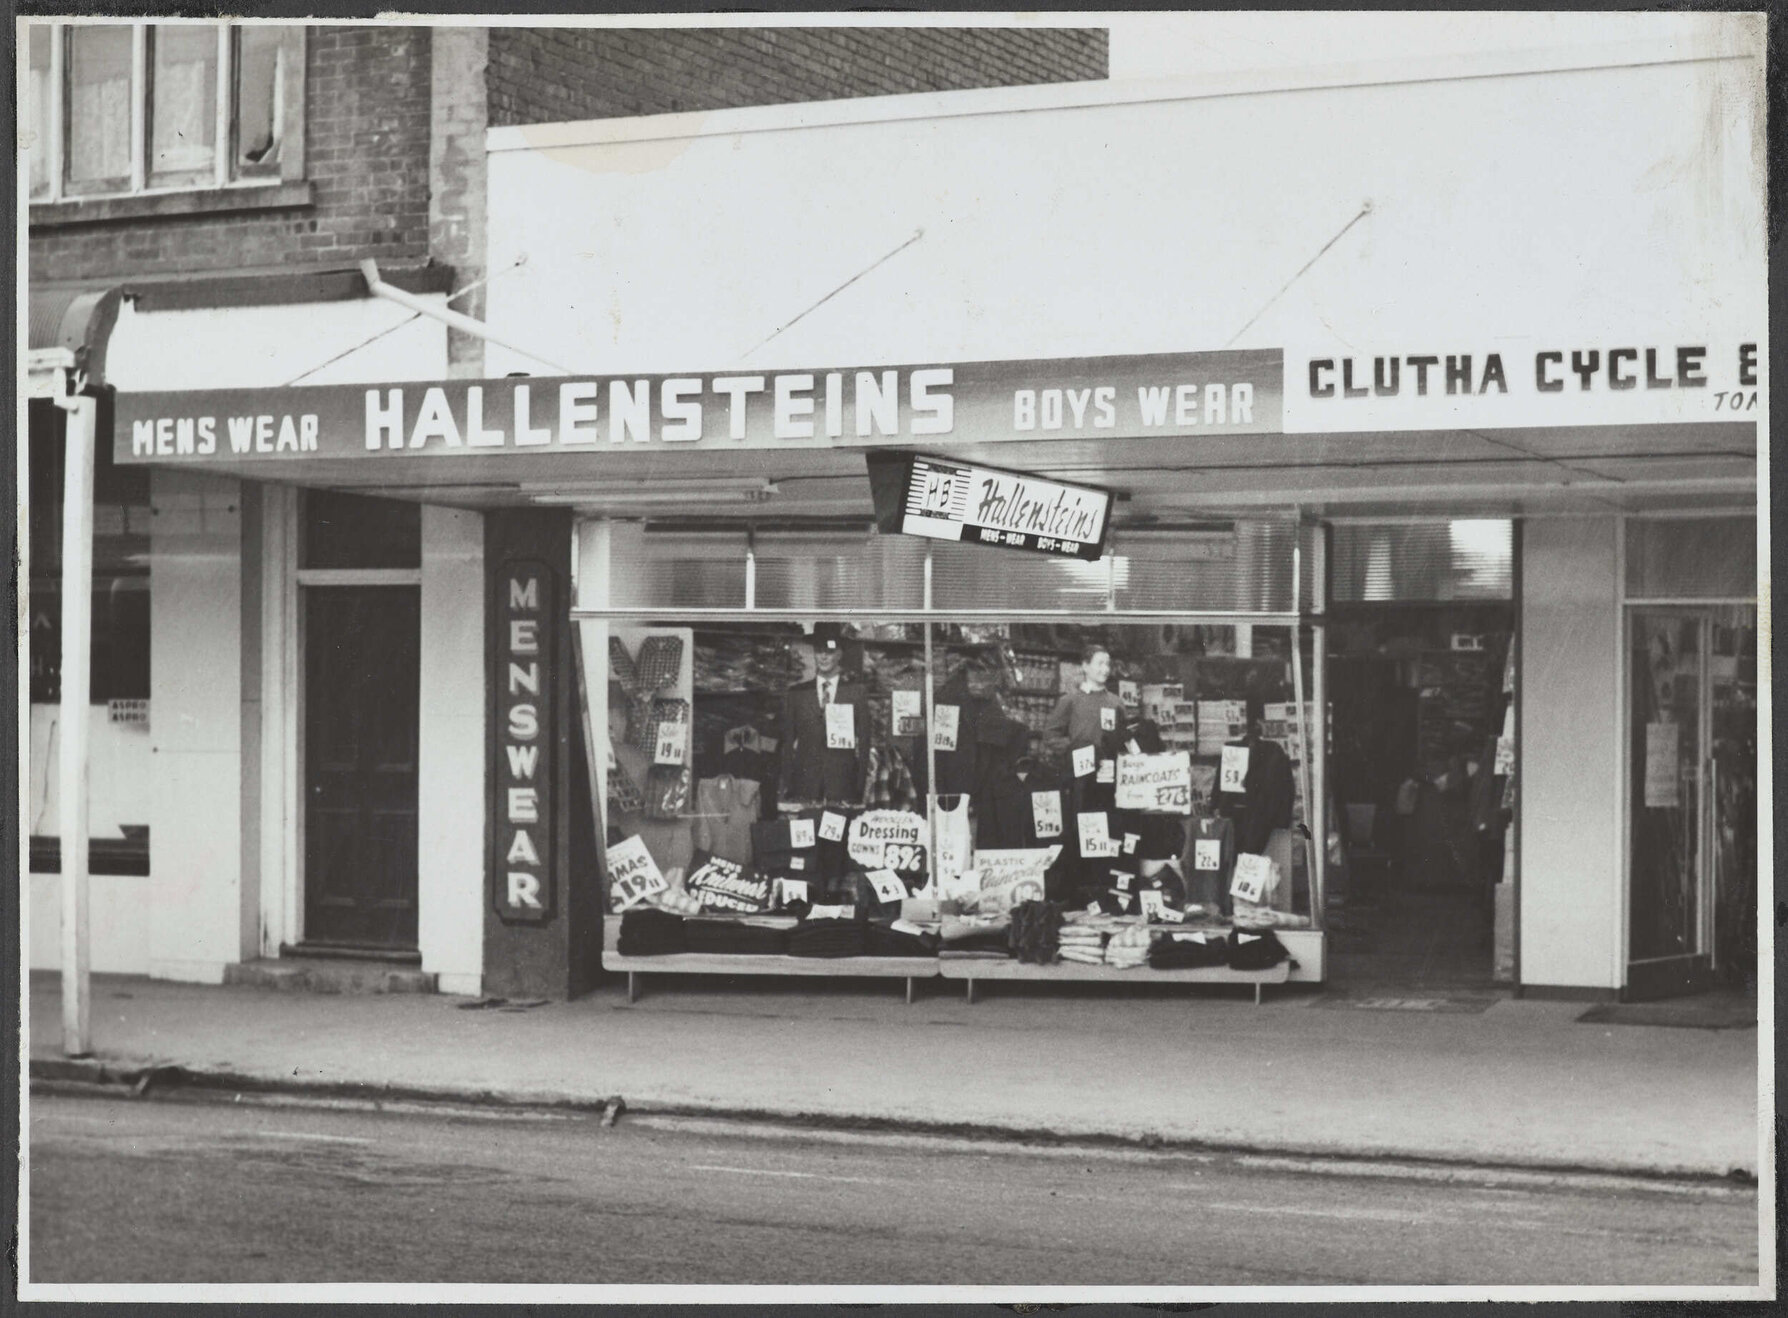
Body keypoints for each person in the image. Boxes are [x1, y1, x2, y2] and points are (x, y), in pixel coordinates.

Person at [778, 623, 867, 804]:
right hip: (804, 783)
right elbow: (787, 742)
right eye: (819, 651)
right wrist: (787, 782)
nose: (824, 656)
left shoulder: (855, 693)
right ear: (814, 653)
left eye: (830, 651)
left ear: (840, 654)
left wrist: (860, 786)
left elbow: (864, 741)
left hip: (843, 784)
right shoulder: (797, 694)